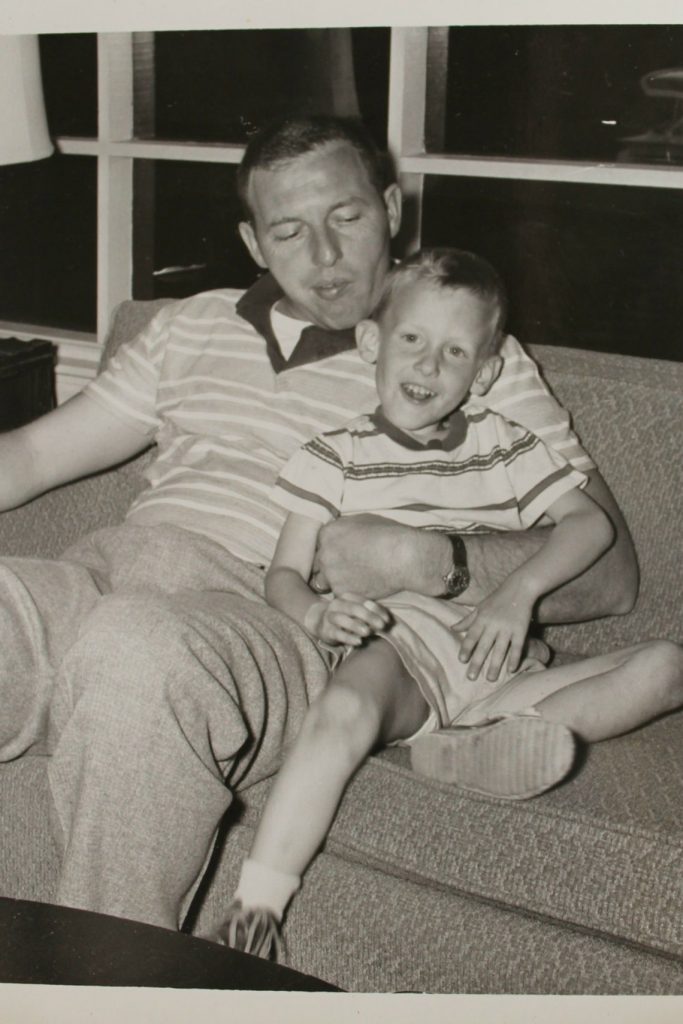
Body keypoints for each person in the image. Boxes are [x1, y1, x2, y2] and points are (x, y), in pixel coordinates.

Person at [0, 115, 646, 937]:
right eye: (289, 230)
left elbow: (611, 573)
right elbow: (25, 458)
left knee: (135, 651)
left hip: (266, 618)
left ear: (389, 208)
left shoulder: (455, 357)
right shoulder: (190, 325)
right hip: (103, 574)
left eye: (346, 218)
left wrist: (427, 558)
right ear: (253, 241)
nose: (326, 256)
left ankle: (105, 991)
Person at [220, 247, 683, 959]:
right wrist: (314, 613)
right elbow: (280, 575)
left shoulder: (505, 445)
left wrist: (516, 594)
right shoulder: (330, 457)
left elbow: (591, 524)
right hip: (400, 651)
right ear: (372, 342)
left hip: (502, 661)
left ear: (484, 372)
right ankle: (254, 913)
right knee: (341, 710)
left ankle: (467, 746)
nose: (428, 367)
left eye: (454, 350)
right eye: (411, 340)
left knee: (664, 665)